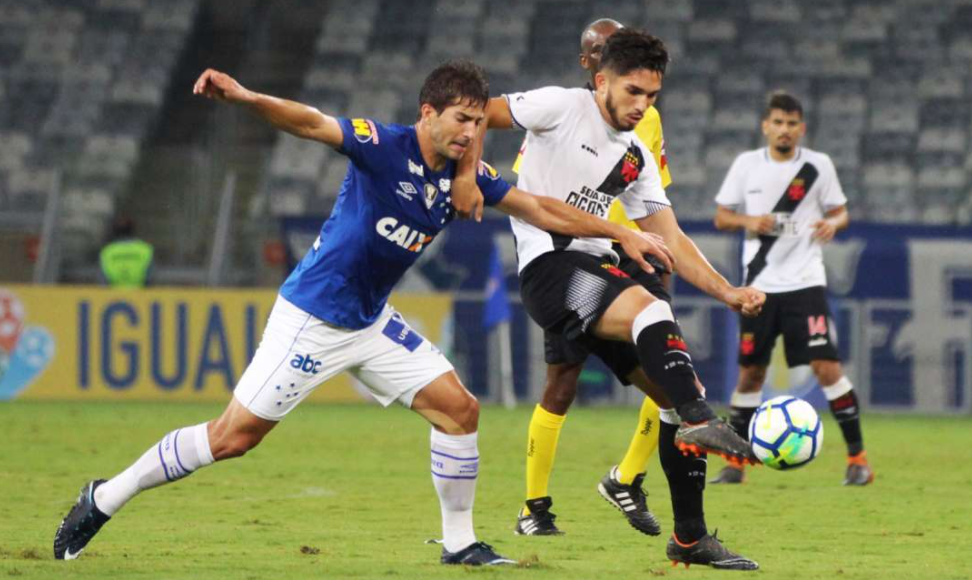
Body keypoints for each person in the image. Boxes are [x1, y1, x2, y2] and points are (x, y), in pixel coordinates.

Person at [53, 60, 676, 566]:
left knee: (459, 410)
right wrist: (245, 96)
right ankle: (104, 496)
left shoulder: (469, 174)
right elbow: (309, 122)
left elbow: (540, 209)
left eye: (473, 122)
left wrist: (616, 233)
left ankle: (459, 545)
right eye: (459, 120)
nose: (468, 133)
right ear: (426, 113)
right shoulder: (384, 146)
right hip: (313, 318)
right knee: (232, 438)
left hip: (371, 322)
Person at [452, 29, 765, 570]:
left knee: (673, 394)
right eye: (632, 92)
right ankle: (697, 419)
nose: (642, 105)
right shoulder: (561, 105)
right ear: (601, 81)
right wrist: (466, 176)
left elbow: (671, 237)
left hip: (596, 269)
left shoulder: (637, 156)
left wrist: (727, 292)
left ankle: (690, 538)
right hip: (550, 270)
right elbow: (477, 112)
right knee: (651, 310)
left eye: (652, 96)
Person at [503, 18, 685, 540]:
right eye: (604, 53)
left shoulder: (644, 117)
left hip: (635, 257)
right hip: (574, 257)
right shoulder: (561, 113)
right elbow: (536, 193)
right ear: (592, 66)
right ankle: (533, 505)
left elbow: (655, 199)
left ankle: (628, 476)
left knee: (670, 361)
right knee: (562, 383)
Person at [711, 91, 873, 486]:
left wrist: (834, 224)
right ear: (766, 126)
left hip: (805, 283)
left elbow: (841, 212)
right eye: (778, 123)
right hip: (759, 287)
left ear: (802, 128)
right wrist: (751, 221)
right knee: (750, 374)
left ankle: (858, 460)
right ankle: (736, 465)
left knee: (827, 367)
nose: (785, 130)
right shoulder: (746, 165)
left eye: (792, 124)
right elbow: (720, 217)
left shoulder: (818, 166)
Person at [99, 216, 153, 288]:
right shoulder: (145, 249)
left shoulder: (108, 251)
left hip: (113, 296)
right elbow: (150, 277)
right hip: (140, 295)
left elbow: (103, 278)